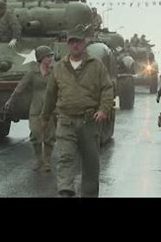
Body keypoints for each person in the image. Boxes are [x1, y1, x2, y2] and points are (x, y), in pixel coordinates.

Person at [40, 25, 114, 197]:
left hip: (90, 122)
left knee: (91, 164)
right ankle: (66, 190)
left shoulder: (96, 66)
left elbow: (107, 89)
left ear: (84, 43)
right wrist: (44, 117)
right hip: (66, 121)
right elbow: (50, 94)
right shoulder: (59, 68)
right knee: (65, 157)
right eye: (72, 42)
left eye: (78, 42)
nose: (75, 46)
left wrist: (103, 109)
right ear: (67, 44)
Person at [6, 46, 56, 172]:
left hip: (50, 108)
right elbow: (20, 87)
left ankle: (47, 161)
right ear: (41, 58)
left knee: (50, 137)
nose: (50, 59)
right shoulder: (32, 73)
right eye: (47, 56)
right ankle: (39, 159)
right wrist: (10, 100)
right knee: (35, 134)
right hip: (36, 108)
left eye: (50, 56)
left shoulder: (54, 72)